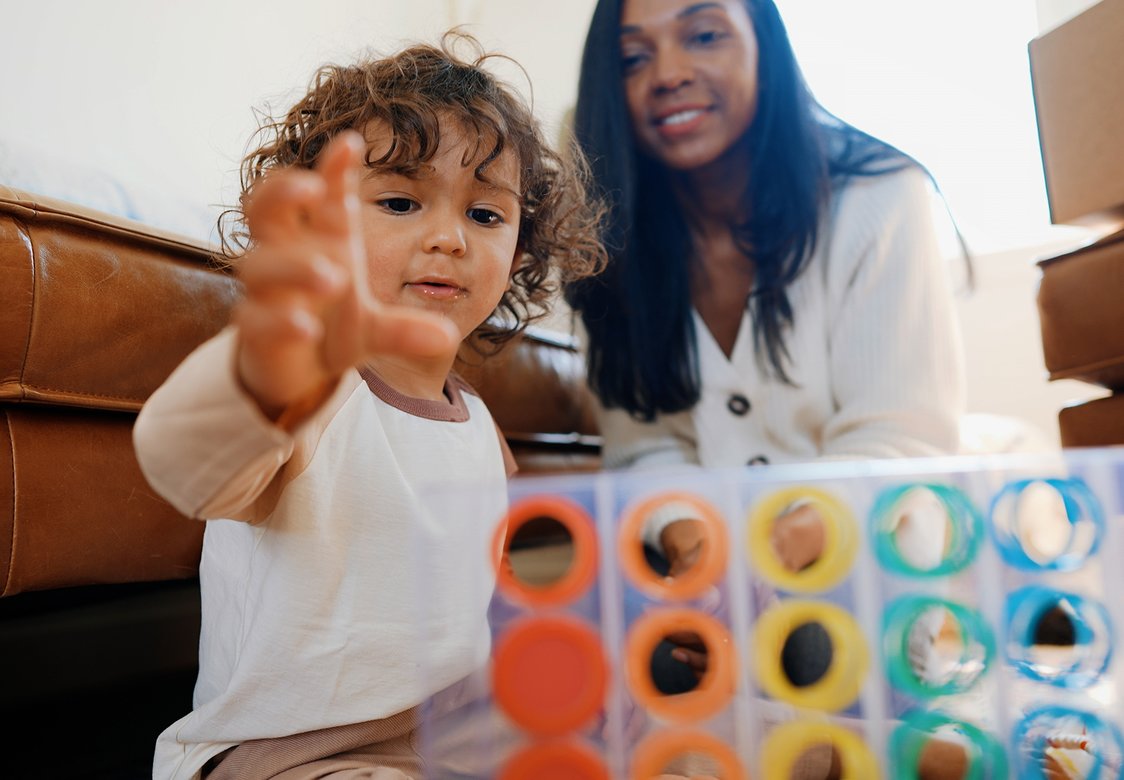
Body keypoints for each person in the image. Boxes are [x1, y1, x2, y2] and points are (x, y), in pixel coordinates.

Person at [133, 35, 605, 780]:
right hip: (279, 755)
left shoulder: (480, 428)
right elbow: (189, 467)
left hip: (446, 740)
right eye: (398, 201)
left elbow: (482, 598)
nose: (447, 237)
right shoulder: (307, 395)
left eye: (485, 216)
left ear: (518, 254)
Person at [565, 1, 968, 777]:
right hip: (709, 584)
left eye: (704, 33)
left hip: (864, 563)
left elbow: (899, 439)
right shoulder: (607, 240)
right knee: (653, 669)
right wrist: (696, 556)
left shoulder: (882, 192)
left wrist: (761, 564)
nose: (669, 73)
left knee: (807, 651)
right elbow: (644, 449)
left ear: (765, 46)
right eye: (631, 57)